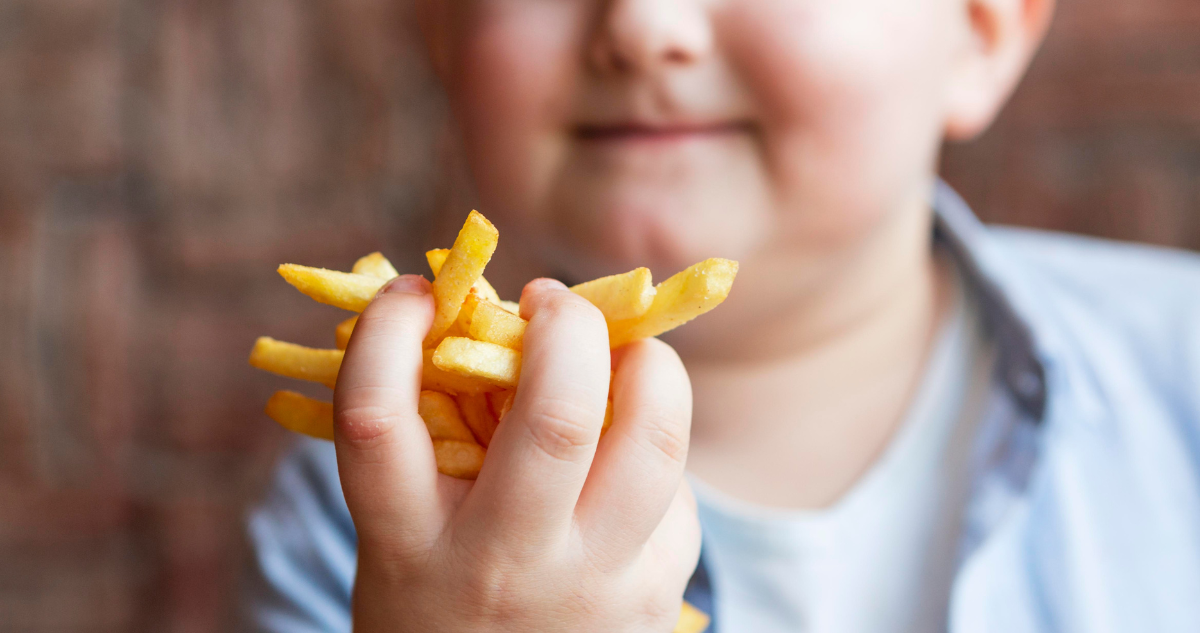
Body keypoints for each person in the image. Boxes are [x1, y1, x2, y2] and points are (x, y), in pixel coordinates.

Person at [240, 0, 1200, 630]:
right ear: (440, 32)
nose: (642, 24)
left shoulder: (1180, 365)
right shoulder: (359, 511)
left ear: (979, 32)